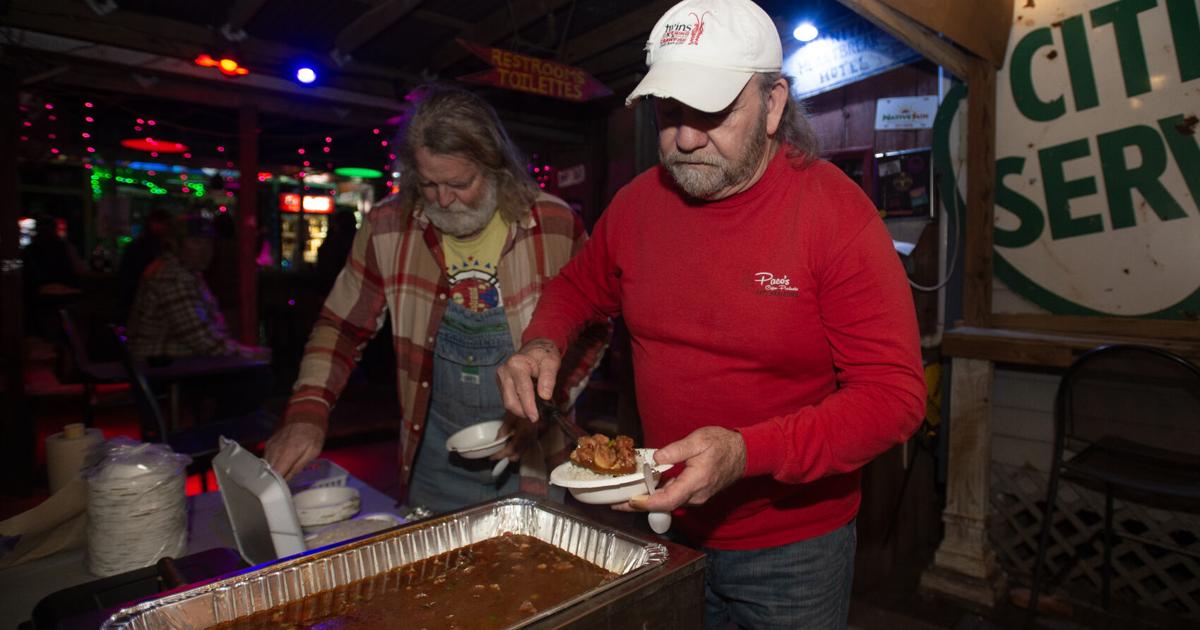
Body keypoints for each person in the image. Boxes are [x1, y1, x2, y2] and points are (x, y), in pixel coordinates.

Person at [496, 1, 926, 628]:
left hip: (793, 548)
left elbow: (894, 398)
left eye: (715, 111)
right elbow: (576, 289)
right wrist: (542, 342)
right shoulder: (637, 206)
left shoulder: (837, 216)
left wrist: (745, 452)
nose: (687, 137)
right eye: (671, 113)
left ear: (773, 103)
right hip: (659, 526)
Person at [264, 86, 609, 514]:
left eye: (460, 183)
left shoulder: (553, 224)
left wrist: (547, 405)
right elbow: (341, 327)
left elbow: (596, 323)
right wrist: (308, 410)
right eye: (428, 184)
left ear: (496, 168)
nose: (444, 200)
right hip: (434, 461)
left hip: (537, 463)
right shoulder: (389, 226)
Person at [126, 213, 272, 421]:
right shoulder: (173, 275)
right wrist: (247, 354)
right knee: (254, 378)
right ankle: (216, 441)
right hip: (163, 365)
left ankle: (216, 437)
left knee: (250, 376)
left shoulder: (184, 271)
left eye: (208, 243)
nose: (205, 250)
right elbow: (200, 338)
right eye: (195, 242)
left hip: (174, 360)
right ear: (176, 244)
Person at [116, 208, 172, 322]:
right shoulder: (152, 248)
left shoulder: (137, 246)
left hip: (134, 299)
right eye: (164, 224)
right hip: (140, 298)